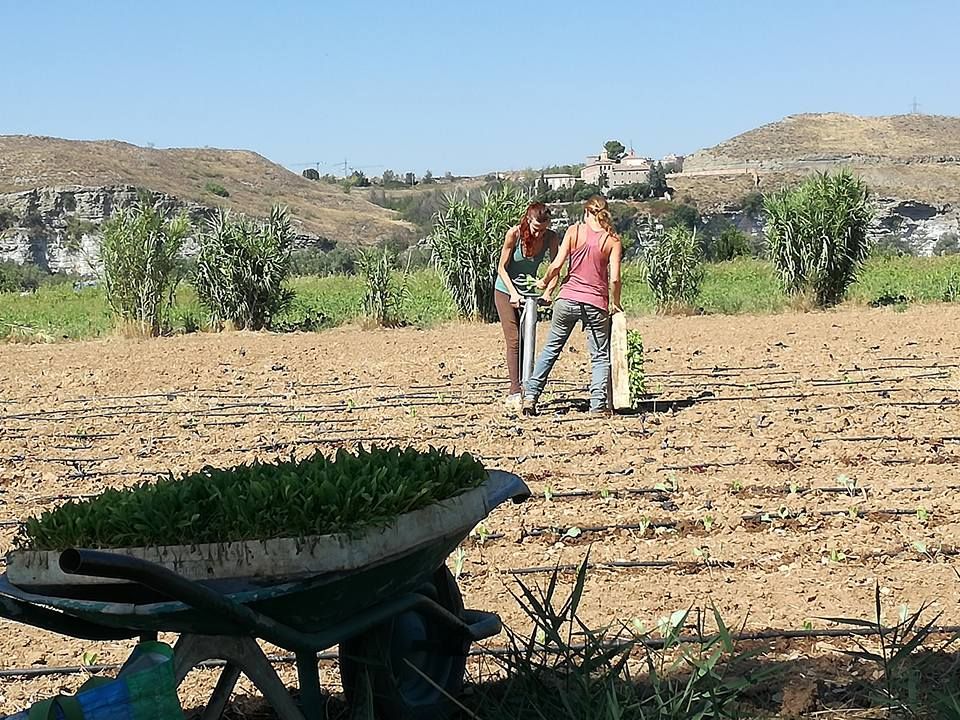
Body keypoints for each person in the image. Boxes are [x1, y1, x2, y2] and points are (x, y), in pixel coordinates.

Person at [522, 195, 622, 415]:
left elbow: (557, 264)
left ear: (586, 212)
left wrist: (544, 282)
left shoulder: (574, 232)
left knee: (551, 349)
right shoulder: (612, 241)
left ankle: (530, 397)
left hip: (567, 299)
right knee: (600, 356)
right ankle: (597, 406)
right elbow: (614, 279)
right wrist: (616, 303)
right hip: (596, 303)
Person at [494, 202, 560, 411]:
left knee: (527, 340)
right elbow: (501, 268)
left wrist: (548, 292)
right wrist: (513, 292)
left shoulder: (551, 238)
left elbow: (555, 268)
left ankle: (527, 386)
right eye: (535, 229)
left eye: (543, 229)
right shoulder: (514, 234)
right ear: (528, 221)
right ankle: (515, 391)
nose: (539, 234)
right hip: (506, 291)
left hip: (529, 294)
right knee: (514, 340)